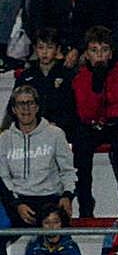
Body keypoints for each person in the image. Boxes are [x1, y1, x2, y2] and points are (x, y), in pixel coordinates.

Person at [71, 26, 118, 217]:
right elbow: (85, 110)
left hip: (117, 124)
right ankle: (85, 205)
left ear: (111, 53)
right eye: (94, 50)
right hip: (91, 125)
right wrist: (96, 82)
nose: (99, 55)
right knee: (81, 148)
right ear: (87, 54)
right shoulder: (80, 77)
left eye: (104, 50)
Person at [0, 85, 75, 227]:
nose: (25, 108)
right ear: (14, 109)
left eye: (30, 103)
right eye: (20, 104)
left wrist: (67, 196)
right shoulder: (4, 139)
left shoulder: (55, 134)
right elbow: (3, 176)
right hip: (18, 200)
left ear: (37, 107)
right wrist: (17, 204)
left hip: (50, 198)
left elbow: (68, 171)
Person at [11, 29, 78, 141]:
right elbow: (13, 106)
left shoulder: (67, 74)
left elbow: (72, 107)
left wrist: (57, 124)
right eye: (41, 48)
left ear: (58, 49)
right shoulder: (26, 76)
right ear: (35, 49)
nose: (45, 52)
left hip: (63, 129)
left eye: (50, 47)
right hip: (31, 128)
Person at [18, 202, 86, 255]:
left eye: (56, 222)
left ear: (62, 223)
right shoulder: (34, 248)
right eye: (47, 222)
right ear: (41, 225)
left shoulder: (70, 246)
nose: (52, 226)